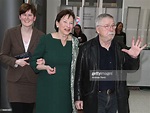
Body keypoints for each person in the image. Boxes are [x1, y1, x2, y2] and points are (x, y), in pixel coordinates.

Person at [74, 13, 146, 113]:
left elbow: (132, 68)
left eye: (113, 26)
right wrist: (78, 97)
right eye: (107, 26)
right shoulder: (86, 49)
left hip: (116, 97)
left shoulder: (120, 47)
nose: (111, 29)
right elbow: (79, 75)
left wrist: (133, 57)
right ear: (98, 29)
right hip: (95, 96)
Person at [30, 9, 79, 113]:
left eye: (71, 23)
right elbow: (33, 61)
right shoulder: (46, 40)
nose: (68, 25)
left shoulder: (75, 43)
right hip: (48, 89)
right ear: (57, 23)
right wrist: (44, 67)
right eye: (65, 22)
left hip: (67, 91)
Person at [0, 3, 44, 113]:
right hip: (15, 82)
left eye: (30, 15)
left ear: (34, 18)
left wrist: (42, 61)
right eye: (24, 15)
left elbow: (44, 56)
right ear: (19, 17)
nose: (27, 18)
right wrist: (15, 61)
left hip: (32, 81)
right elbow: (3, 55)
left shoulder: (41, 36)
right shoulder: (10, 33)